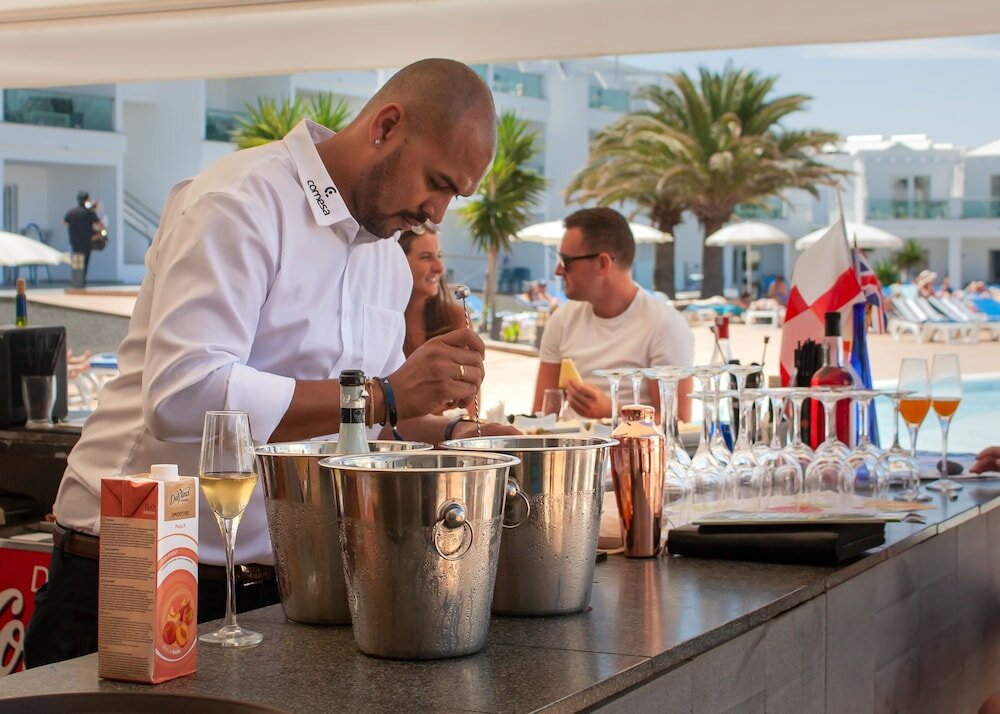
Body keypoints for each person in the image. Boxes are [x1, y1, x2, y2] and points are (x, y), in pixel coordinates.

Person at [26, 58, 517, 668]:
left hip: (277, 589)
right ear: (386, 126)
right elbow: (184, 393)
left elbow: (367, 421)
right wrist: (387, 395)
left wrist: (457, 434)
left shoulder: (387, 260)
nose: (437, 213)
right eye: (437, 182)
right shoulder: (241, 199)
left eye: (454, 196)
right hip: (133, 565)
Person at [531, 207, 694, 421]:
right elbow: (542, 414)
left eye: (566, 261)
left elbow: (678, 422)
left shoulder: (664, 324)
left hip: (635, 451)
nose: (558, 271)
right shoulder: (562, 319)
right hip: (572, 450)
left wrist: (612, 411)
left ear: (602, 263)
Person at [399, 222, 466, 357]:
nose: (439, 268)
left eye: (439, 256)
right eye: (426, 257)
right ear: (398, 260)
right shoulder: (377, 319)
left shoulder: (454, 318)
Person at [63, 190, 103, 288]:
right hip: (86, 242)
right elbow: (100, 225)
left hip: (74, 242)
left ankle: (75, 283)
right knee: (84, 263)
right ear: (87, 200)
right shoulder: (90, 213)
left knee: (76, 262)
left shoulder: (71, 212)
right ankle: (82, 284)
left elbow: (64, 222)